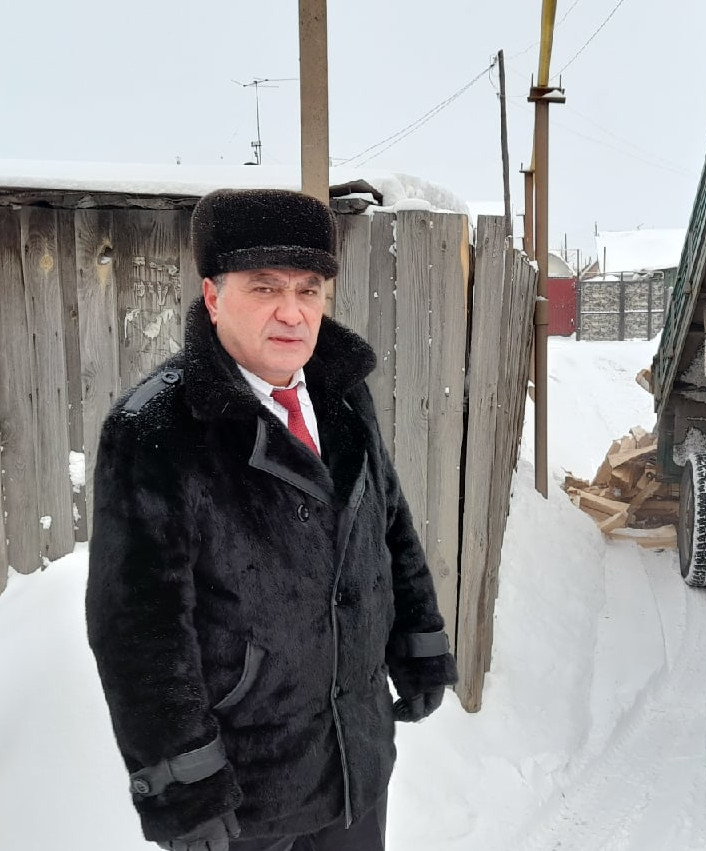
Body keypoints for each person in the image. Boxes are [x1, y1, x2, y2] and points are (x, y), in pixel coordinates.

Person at [86, 188, 457, 851]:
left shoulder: (343, 396)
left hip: (355, 766)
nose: (292, 311)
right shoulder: (156, 427)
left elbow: (388, 522)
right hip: (245, 797)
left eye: (308, 289)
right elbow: (137, 627)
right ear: (213, 296)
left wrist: (419, 642)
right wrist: (182, 781)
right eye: (264, 287)